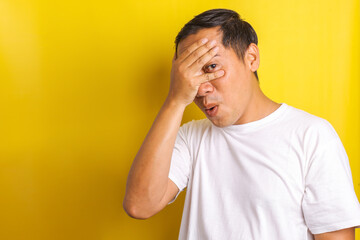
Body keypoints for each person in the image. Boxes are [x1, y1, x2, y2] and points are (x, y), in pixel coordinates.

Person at [123, 8, 360, 239]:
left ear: (251, 58)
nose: (200, 87)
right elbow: (139, 206)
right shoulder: (190, 137)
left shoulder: (312, 135)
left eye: (211, 67)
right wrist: (175, 100)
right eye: (189, 75)